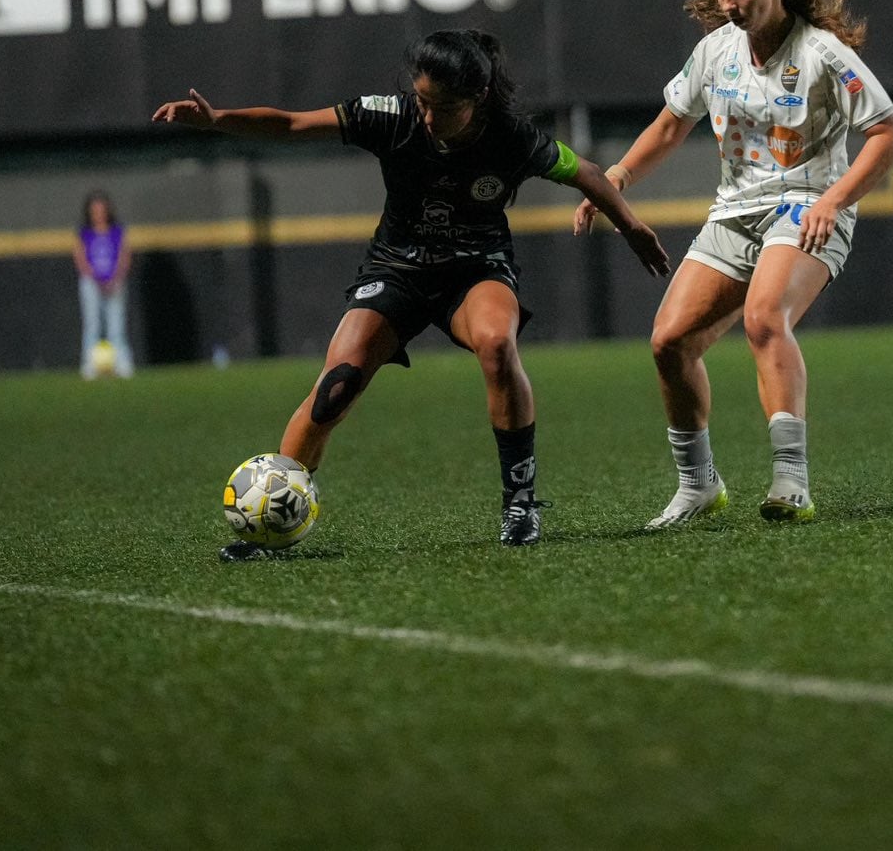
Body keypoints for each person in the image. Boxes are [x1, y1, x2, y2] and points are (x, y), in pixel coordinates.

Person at [153, 28, 670, 557]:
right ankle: (271, 525)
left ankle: (520, 502)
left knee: (497, 343)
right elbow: (292, 123)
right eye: (421, 100)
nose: (426, 115)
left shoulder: (511, 138)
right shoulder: (390, 115)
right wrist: (218, 121)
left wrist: (631, 227)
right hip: (396, 268)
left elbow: (586, 172)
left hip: (476, 268)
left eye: (441, 106)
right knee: (338, 382)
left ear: (477, 98)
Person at [575, 0, 893, 528]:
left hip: (806, 206)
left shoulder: (823, 54)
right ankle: (699, 485)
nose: (728, 4)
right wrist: (618, 176)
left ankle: (791, 480)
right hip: (734, 213)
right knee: (669, 342)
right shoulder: (716, 51)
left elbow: (886, 136)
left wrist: (835, 199)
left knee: (762, 318)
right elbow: (673, 124)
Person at [75, 191, 135, 379]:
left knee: (116, 324)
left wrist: (115, 278)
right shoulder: (84, 233)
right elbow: (80, 257)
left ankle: (122, 363)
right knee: (92, 324)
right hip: (91, 283)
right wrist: (94, 278)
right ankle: (89, 365)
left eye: (102, 209)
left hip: (115, 282)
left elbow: (125, 256)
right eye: (95, 210)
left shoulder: (118, 231)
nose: (99, 213)